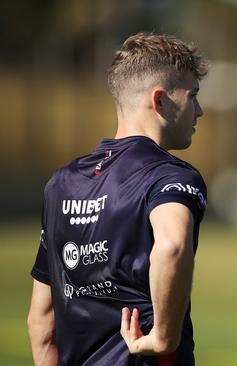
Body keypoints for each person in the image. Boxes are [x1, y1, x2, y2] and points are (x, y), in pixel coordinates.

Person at [27, 33, 208, 365]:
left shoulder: (61, 183)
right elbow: (172, 246)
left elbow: (41, 323)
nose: (199, 111)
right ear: (160, 100)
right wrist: (164, 338)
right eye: (192, 96)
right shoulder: (170, 176)